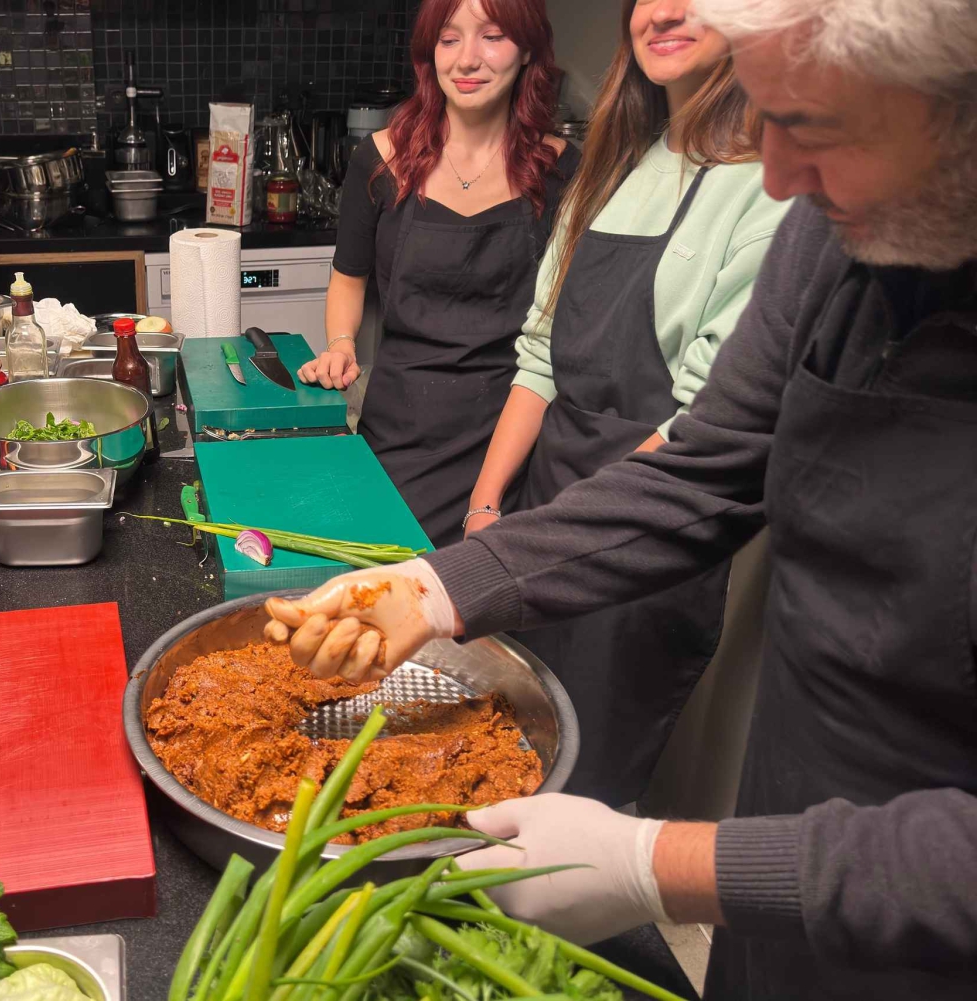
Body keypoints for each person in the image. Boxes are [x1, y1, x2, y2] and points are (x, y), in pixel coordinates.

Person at [264, 0, 977, 994]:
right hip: (797, 799)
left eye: (811, 125)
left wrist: (659, 864)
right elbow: (707, 466)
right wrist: (432, 589)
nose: (776, 176)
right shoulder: (829, 242)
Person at [460, 0, 791, 806]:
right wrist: (486, 507)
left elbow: (701, 423)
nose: (665, 11)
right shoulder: (614, 168)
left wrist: (552, 547)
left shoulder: (771, 189)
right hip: (546, 506)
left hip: (645, 539)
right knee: (504, 758)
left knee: (579, 793)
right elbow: (541, 355)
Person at [297, 0, 580, 547]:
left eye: (492, 37)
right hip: (400, 429)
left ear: (527, 50)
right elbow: (349, 276)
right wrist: (341, 345)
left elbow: (561, 330)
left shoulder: (563, 170)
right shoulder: (380, 159)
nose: (467, 59)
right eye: (449, 39)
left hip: (511, 434)